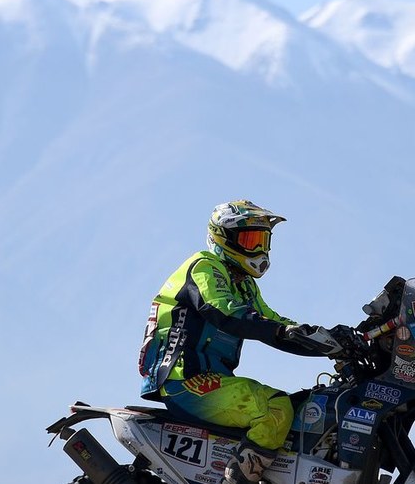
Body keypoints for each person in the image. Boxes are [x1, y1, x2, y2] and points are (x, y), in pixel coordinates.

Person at [138, 200, 354, 484]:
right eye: (250, 240)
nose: (259, 250)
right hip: (184, 381)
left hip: (213, 381)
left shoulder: (245, 284)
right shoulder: (205, 266)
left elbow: (274, 323)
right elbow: (224, 311)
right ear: (222, 238)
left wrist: (333, 341)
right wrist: (283, 331)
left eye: (263, 241)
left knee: (303, 406)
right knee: (275, 409)